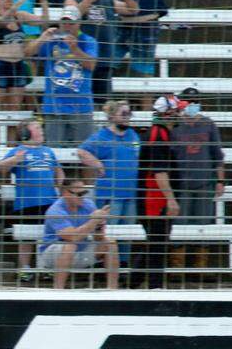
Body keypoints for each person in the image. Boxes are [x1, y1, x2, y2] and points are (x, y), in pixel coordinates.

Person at [0, 120, 64, 281]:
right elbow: (0, 167)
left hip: (49, 200)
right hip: (27, 201)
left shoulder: (48, 151)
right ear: (26, 133)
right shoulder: (19, 151)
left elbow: (58, 170)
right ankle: (25, 267)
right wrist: (15, 160)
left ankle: (46, 266)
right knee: (26, 236)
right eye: (37, 128)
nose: (41, 130)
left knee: (49, 235)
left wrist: (60, 185)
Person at [24, 8, 98, 147]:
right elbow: (27, 53)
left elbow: (91, 65)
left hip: (81, 107)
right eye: (64, 23)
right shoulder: (52, 41)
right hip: (54, 107)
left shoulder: (88, 41)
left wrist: (75, 48)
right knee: (54, 152)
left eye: (71, 23)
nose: (67, 26)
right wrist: (42, 38)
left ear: (79, 24)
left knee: (86, 152)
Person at [130, 94, 183, 289]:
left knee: (157, 242)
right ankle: (154, 287)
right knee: (157, 245)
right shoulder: (157, 135)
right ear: (169, 114)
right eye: (177, 111)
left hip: (155, 199)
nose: (180, 114)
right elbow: (159, 173)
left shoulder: (161, 133)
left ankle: (133, 282)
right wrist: (171, 200)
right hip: (154, 200)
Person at [170, 86, 225, 271]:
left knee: (203, 222)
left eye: (195, 102)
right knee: (181, 223)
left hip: (204, 181)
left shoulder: (208, 124)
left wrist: (220, 180)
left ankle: (200, 265)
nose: (192, 105)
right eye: (189, 102)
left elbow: (217, 154)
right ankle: (177, 264)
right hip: (181, 183)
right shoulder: (175, 127)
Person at [78, 99, 138, 264]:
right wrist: (97, 164)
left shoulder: (132, 134)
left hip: (131, 193)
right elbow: (82, 151)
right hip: (111, 194)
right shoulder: (102, 136)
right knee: (108, 232)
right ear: (111, 116)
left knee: (128, 232)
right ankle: (103, 263)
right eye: (123, 114)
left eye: (129, 113)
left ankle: (123, 264)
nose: (127, 117)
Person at [37, 177, 119, 289]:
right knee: (70, 245)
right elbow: (72, 237)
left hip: (81, 250)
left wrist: (100, 224)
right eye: (79, 194)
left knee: (110, 244)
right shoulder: (55, 210)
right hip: (53, 253)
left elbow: (98, 238)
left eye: (84, 193)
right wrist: (93, 221)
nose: (83, 196)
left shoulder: (88, 204)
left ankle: (113, 289)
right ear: (66, 193)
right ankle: (58, 290)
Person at [0, 0, 32, 147]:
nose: (9, 0)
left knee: (13, 111)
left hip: (17, 66)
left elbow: (42, 22)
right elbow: (0, 22)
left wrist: (43, 3)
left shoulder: (19, 16)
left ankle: (10, 148)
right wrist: (17, 4)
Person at [114, 0, 168, 110]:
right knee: (105, 64)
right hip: (120, 21)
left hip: (147, 20)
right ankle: (105, 109)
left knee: (145, 71)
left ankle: (146, 116)